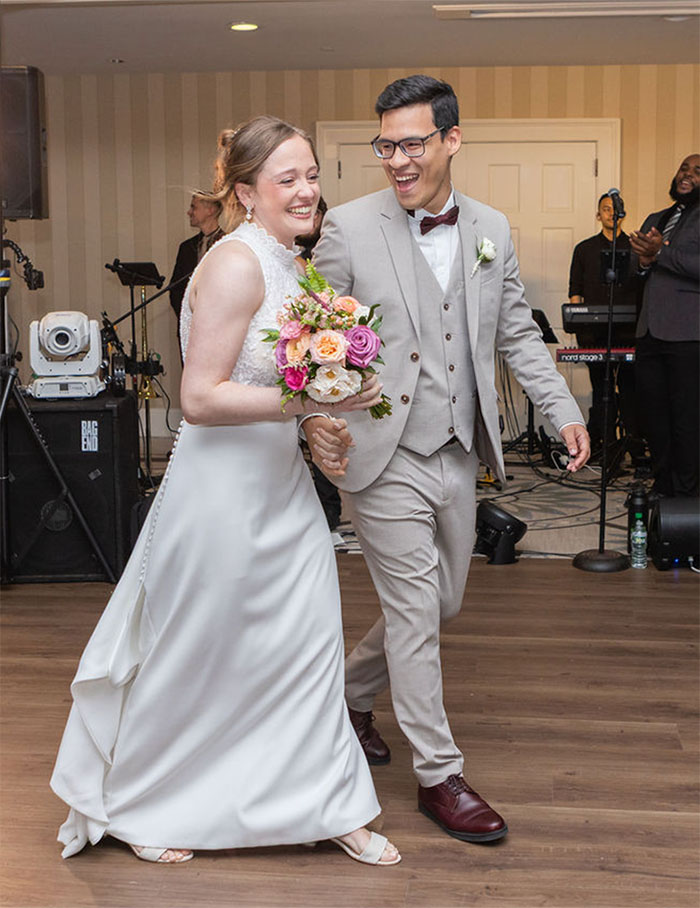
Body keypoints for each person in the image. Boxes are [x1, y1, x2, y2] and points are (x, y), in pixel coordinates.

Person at [50, 115, 400, 868]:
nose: (308, 190)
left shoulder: (295, 267)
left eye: (311, 174)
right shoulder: (237, 264)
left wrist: (319, 426)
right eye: (288, 179)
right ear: (245, 191)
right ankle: (146, 801)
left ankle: (327, 801)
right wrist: (313, 407)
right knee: (200, 654)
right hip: (220, 494)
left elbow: (290, 381)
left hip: (280, 488)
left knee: (304, 648)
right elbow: (201, 399)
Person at [306, 75, 589, 844]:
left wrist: (562, 409)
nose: (397, 159)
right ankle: (440, 776)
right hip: (382, 448)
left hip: (459, 447)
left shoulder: (490, 227)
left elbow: (515, 337)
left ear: (451, 140)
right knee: (413, 612)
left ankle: (350, 694)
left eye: (412, 142)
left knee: (444, 602)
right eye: (385, 144)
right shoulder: (349, 230)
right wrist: (317, 421)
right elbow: (312, 344)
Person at [629, 154, 700, 498]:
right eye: (684, 168)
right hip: (649, 332)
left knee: (686, 420)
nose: (687, 175)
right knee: (653, 417)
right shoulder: (657, 218)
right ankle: (663, 484)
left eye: (698, 171)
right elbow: (637, 271)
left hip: (689, 335)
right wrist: (642, 261)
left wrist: (661, 253)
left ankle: (687, 493)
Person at [568, 193, 644, 461]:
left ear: (623, 214)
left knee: (630, 390)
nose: (611, 213)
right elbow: (575, 292)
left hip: (629, 332)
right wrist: (580, 325)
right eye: (605, 209)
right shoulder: (584, 249)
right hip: (594, 334)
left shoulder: (636, 248)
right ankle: (607, 447)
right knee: (601, 390)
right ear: (598, 215)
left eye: (615, 209)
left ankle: (634, 448)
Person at [168, 194, 225, 342]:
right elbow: (175, 289)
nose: (189, 212)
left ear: (210, 210)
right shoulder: (186, 248)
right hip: (189, 329)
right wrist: (187, 317)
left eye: (194, 207)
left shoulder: (229, 244)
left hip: (222, 330)